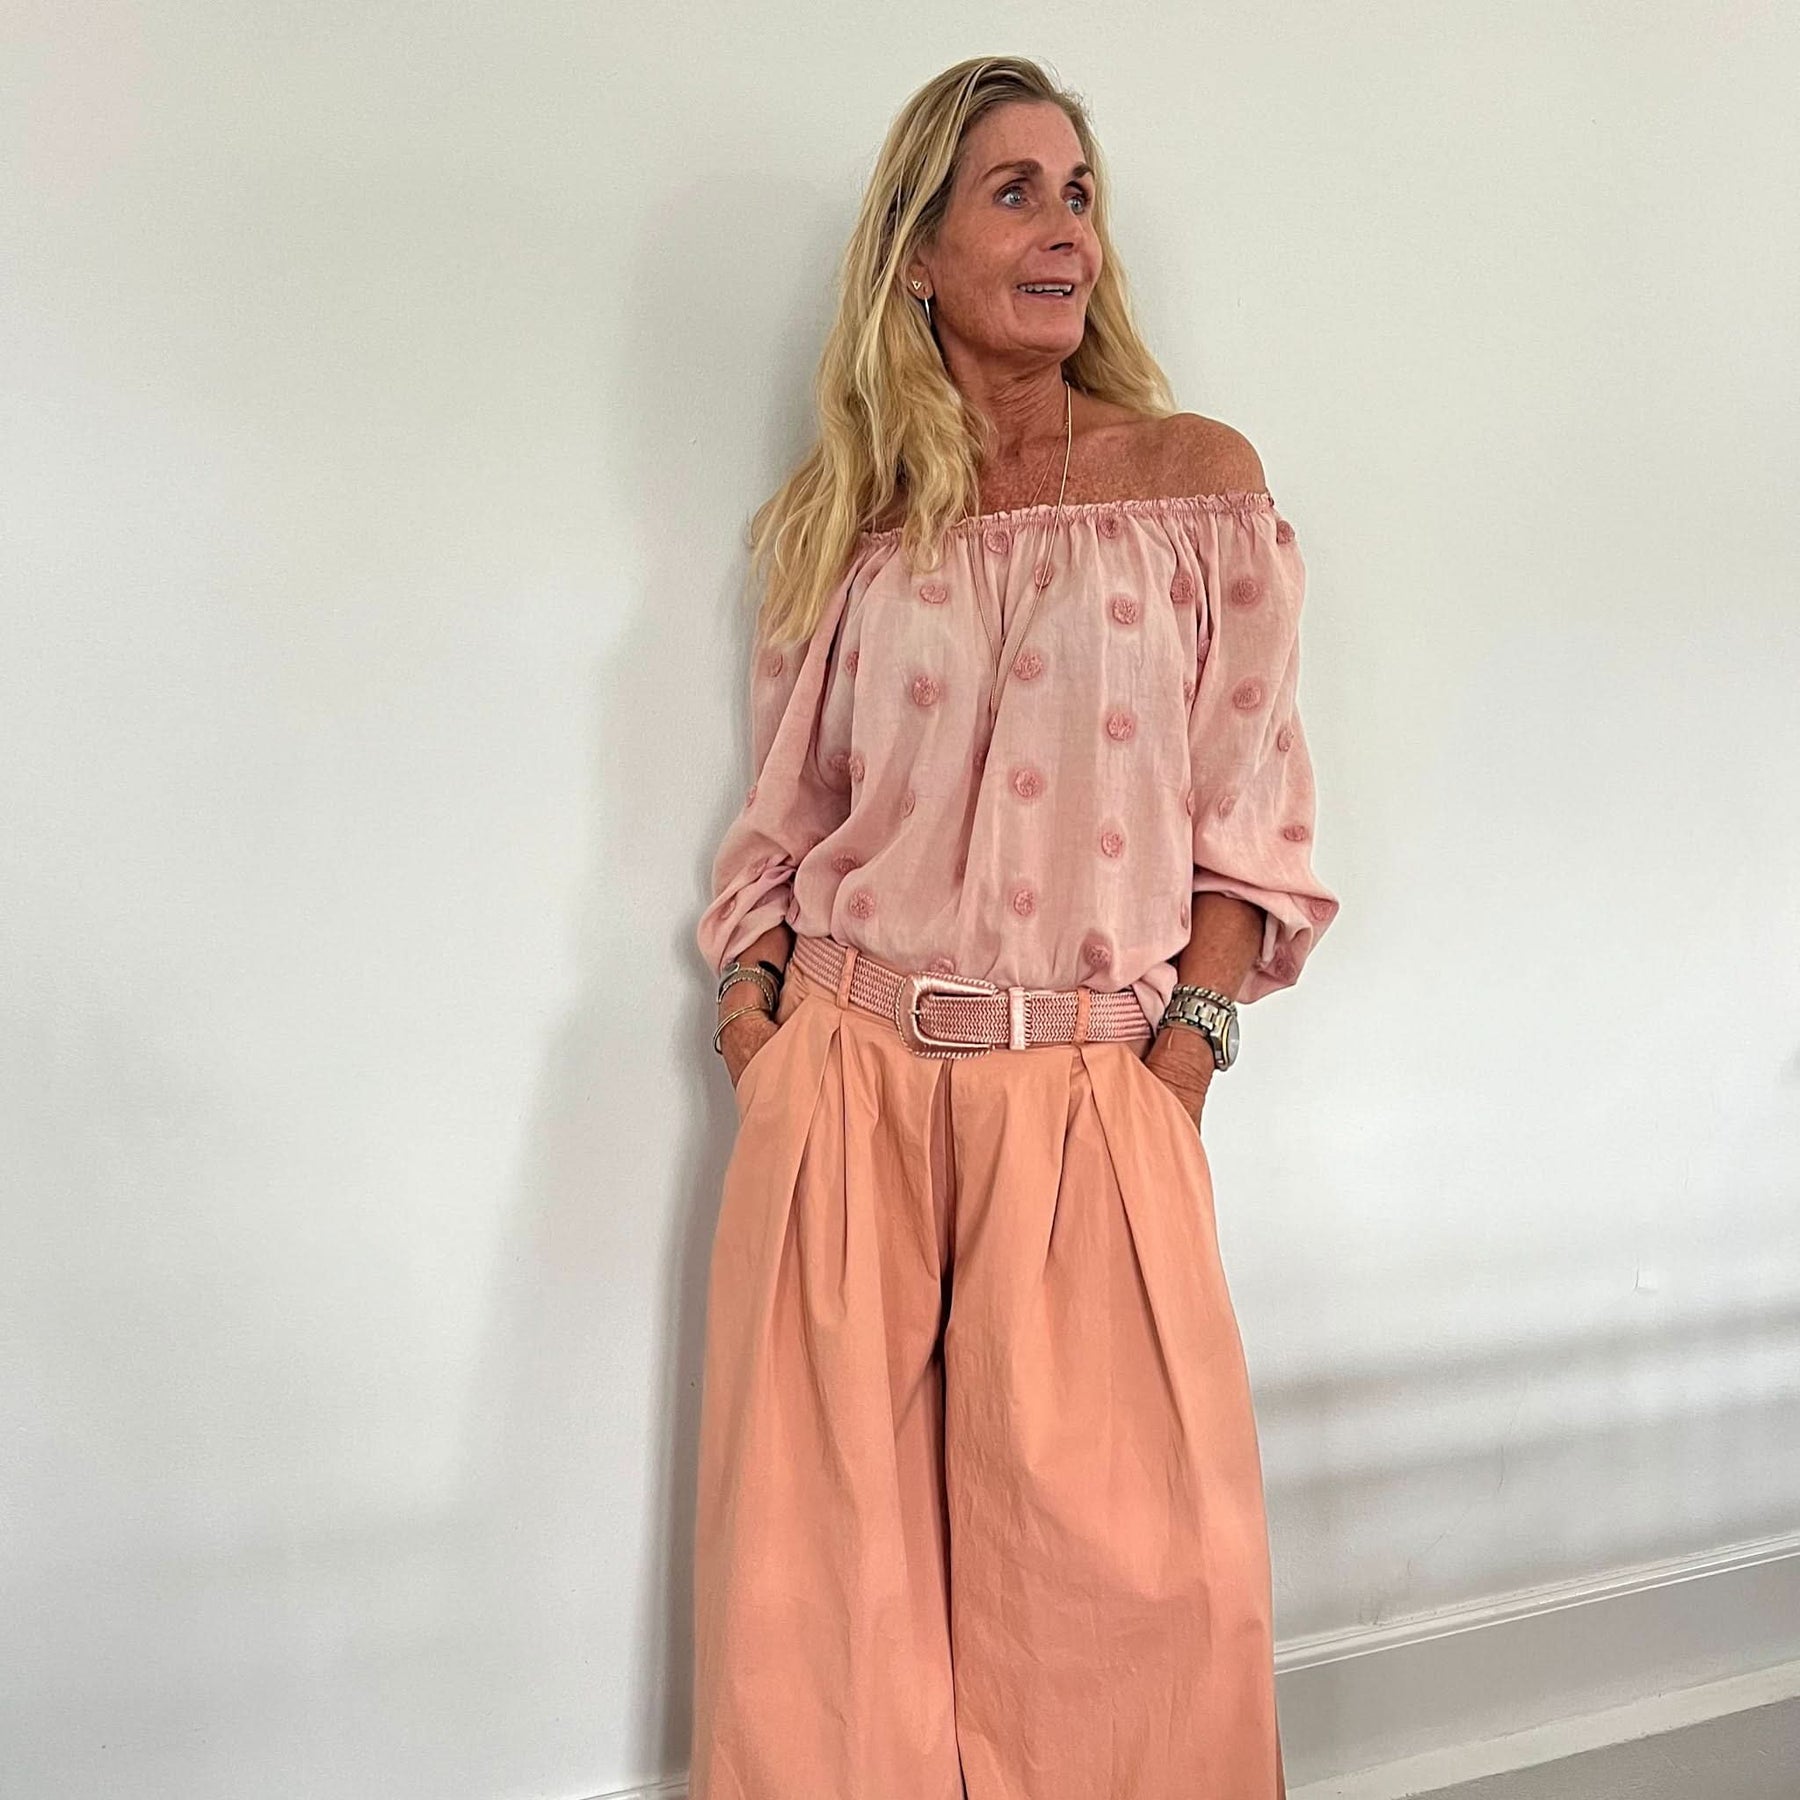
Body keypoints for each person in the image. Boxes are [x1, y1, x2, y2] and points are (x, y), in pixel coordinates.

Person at [688, 54, 1339, 1800]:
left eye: (1081, 194)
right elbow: (785, 820)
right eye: (1015, 191)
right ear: (916, 252)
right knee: (824, 1625)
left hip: (1087, 1102)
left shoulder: (1195, 485)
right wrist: (758, 1029)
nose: (1067, 229)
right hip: (845, 1093)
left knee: (1135, 1613)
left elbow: (1253, 828)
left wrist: (1180, 1060)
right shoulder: (849, 522)